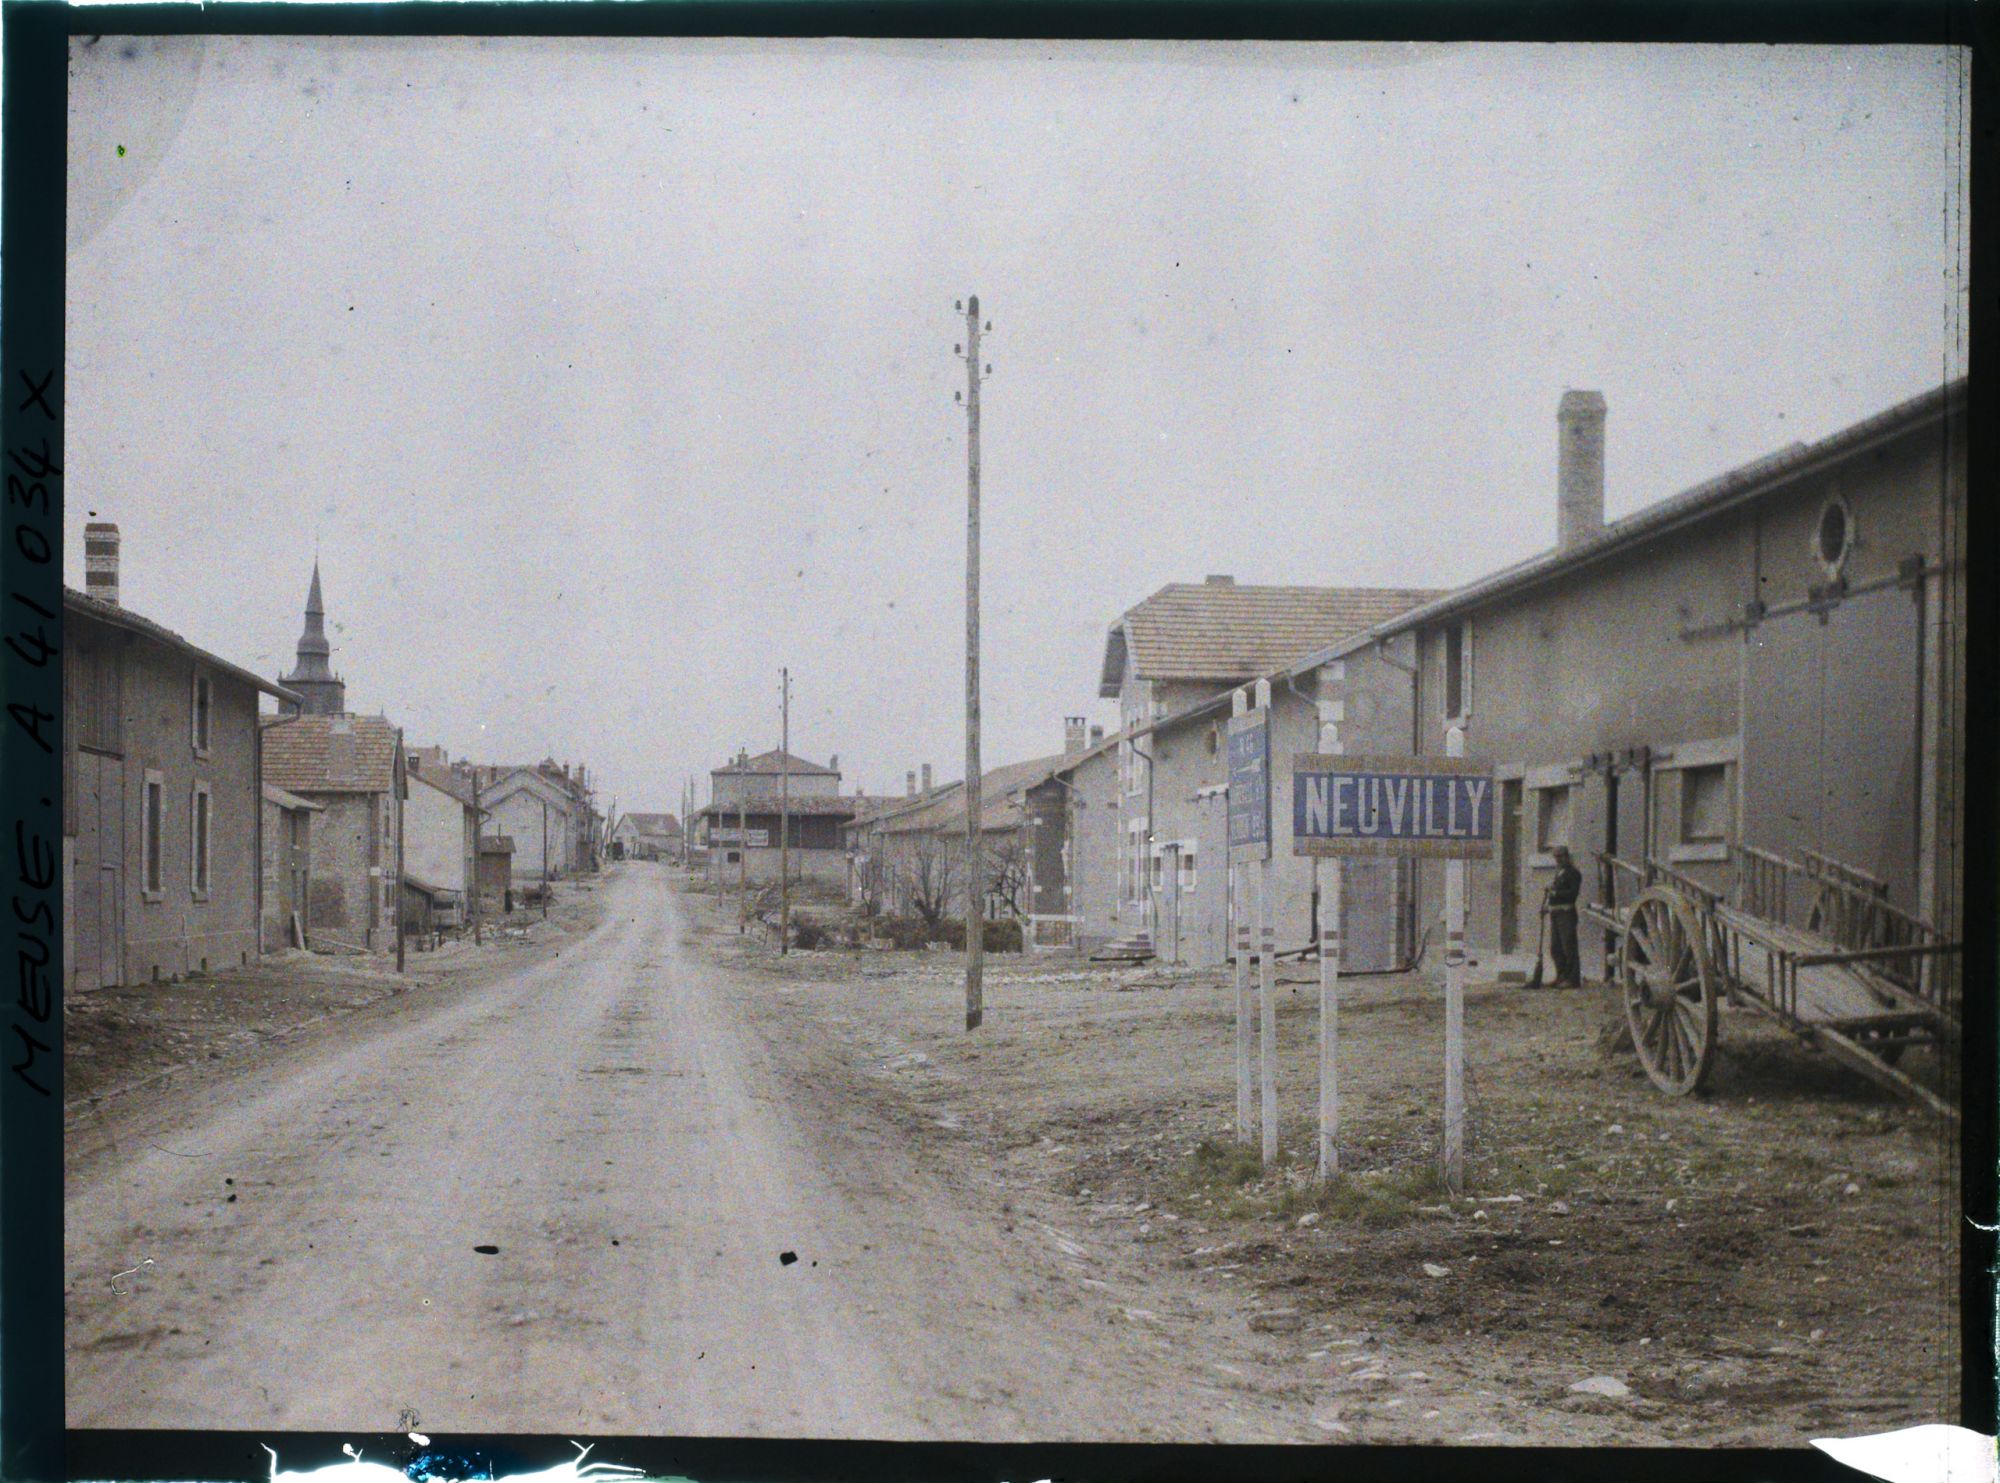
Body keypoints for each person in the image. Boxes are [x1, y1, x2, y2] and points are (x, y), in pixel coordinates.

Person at [1548, 845, 1583, 987]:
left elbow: (1573, 893)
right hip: (1555, 913)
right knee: (1555, 947)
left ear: (1566, 857)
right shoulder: (1559, 872)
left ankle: (1572, 979)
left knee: (1568, 946)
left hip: (1566, 913)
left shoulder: (1573, 873)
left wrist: (1556, 894)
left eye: (1560, 857)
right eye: (1556, 857)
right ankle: (1561, 975)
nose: (1558, 860)